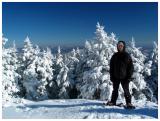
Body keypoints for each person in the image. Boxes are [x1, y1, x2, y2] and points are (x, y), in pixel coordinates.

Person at [106, 41, 134, 108]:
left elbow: (131, 68)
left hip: (125, 77)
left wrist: (129, 77)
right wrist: (111, 76)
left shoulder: (127, 56)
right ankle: (113, 102)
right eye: (119, 45)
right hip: (116, 77)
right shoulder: (114, 56)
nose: (120, 46)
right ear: (117, 46)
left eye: (121, 45)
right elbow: (111, 67)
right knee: (115, 90)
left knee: (126, 91)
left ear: (124, 46)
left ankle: (128, 103)